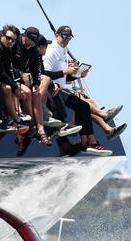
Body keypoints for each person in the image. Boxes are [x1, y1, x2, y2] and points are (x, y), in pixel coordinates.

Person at [43, 26, 111, 155]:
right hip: (51, 90)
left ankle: (87, 141)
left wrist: (78, 74)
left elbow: (65, 78)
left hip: (61, 88)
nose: (66, 39)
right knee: (82, 106)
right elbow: (45, 74)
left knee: (83, 106)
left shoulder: (63, 51)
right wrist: (66, 71)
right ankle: (90, 141)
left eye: (69, 37)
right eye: (64, 36)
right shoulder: (51, 51)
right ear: (57, 35)